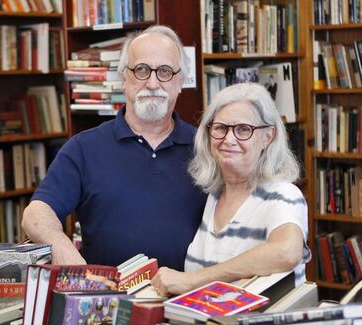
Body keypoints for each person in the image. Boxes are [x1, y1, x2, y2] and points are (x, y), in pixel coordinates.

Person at [22, 25, 207, 271]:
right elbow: (35, 214)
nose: (153, 83)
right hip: (107, 302)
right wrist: (60, 245)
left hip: (186, 302)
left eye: (164, 71)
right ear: (123, 78)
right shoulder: (83, 149)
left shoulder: (206, 149)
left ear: (180, 81)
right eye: (141, 70)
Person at [151, 83, 310, 296]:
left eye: (244, 129)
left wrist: (192, 281)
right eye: (221, 128)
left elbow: (287, 252)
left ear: (268, 137)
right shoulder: (214, 196)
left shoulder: (282, 194)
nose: (229, 139)